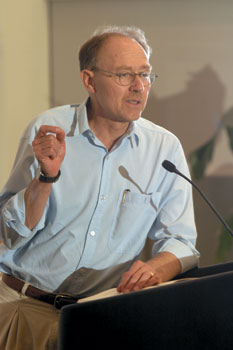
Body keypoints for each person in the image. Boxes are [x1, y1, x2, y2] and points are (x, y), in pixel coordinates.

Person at [0, 25, 199, 349]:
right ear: (89, 80)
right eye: (124, 75)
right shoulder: (48, 131)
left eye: (145, 75)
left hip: (102, 317)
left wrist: (155, 268)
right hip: (24, 310)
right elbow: (8, 234)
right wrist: (46, 178)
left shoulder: (164, 148)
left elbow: (181, 241)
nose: (139, 87)